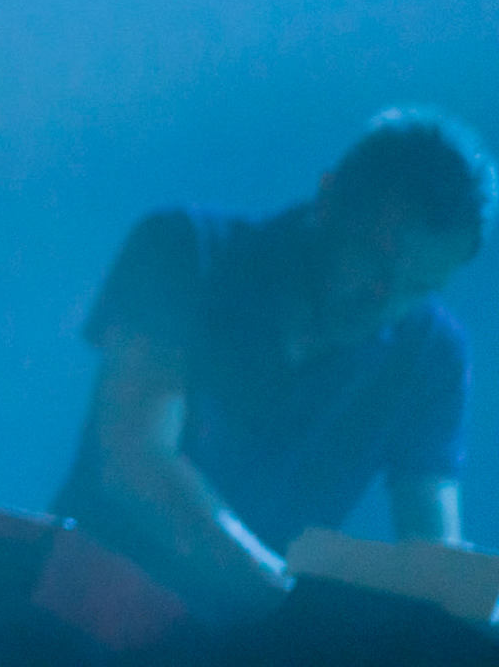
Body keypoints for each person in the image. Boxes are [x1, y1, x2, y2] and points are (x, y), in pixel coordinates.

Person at [53, 107, 495, 624]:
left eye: (419, 288)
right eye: (375, 262)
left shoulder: (433, 354)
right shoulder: (183, 249)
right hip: (83, 619)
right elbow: (135, 463)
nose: (384, 299)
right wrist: (283, 597)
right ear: (328, 199)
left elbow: (433, 563)